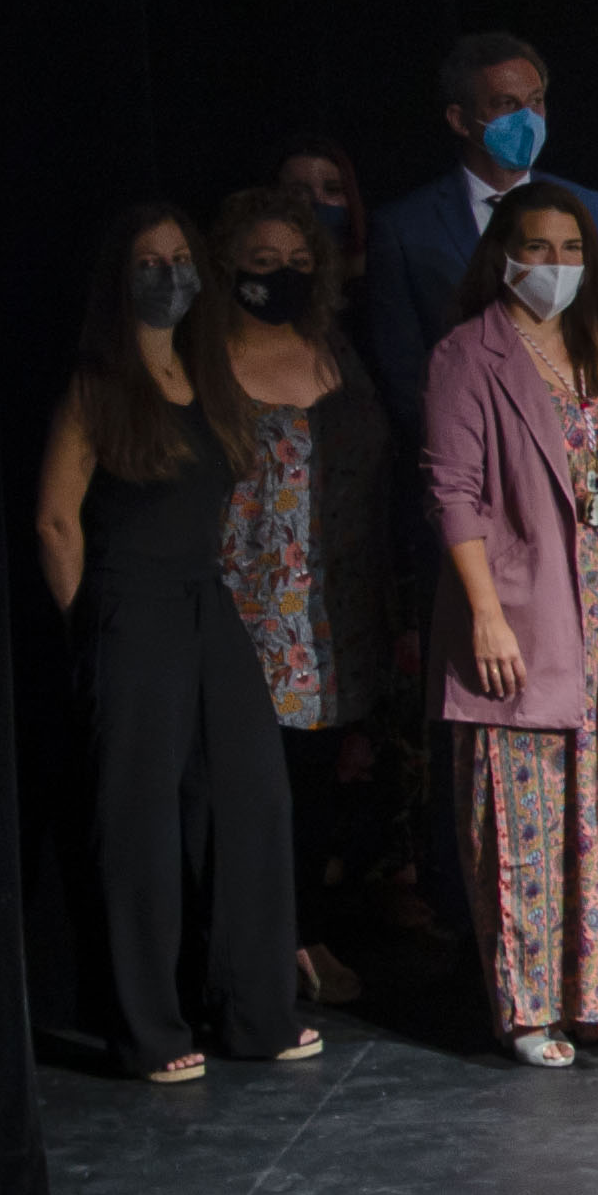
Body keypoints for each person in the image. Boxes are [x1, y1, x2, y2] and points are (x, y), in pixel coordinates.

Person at [34, 206, 315, 1081]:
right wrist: (94, 627)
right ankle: (148, 1030)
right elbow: (55, 521)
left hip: (205, 598)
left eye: (181, 258)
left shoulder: (207, 375)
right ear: (121, 280)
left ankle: (254, 1014)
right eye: (149, 261)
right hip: (130, 605)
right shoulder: (95, 386)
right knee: (139, 821)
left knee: (252, 801)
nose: (169, 274)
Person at [423, 183, 598, 1063]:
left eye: (571, 249)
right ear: (502, 253)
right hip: (523, 608)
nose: (555, 266)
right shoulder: (469, 354)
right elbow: (452, 493)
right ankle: (534, 1006)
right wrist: (485, 617)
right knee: (528, 814)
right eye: (536, 249)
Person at [210, 186, 391, 1004]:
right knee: (246, 786)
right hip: (244, 602)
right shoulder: (206, 354)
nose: (280, 274)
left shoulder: (334, 349)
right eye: (260, 262)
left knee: (319, 784)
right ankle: (250, 946)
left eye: (296, 261)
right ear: (226, 267)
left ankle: (306, 933)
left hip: (333, 603)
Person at [359, 30, 598, 447]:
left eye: (536, 101)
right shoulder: (403, 228)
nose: (528, 118)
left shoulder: (596, 212)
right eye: (507, 105)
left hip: (588, 456)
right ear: (460, 119)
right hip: (467, 455)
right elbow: (402, 371)